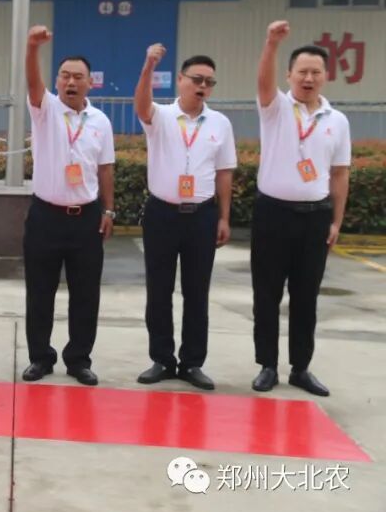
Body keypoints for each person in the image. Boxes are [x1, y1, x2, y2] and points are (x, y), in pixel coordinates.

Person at [251, 21, 350, 397]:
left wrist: (336, 221)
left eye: (316, 72)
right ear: (289, 75)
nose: (308, 78)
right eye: (302, 72)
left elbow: (339, 174)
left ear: (326, 77)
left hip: (315, 217)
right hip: (273, 215)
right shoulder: (275, 108)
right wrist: (271, 44)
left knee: (306, 296)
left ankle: (301, 368)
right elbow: (263, 81)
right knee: (267, 294)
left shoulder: (337, 121)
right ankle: (267, 365)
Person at [133, 44, 237, 391]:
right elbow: (141, 105)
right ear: (180, 80)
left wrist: (224, 217)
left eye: (209, 82)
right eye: (196, 79)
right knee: (159, 290)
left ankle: (192, 362)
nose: (202, 86)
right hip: (162, 213)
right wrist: (149, 65)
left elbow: (224, 172)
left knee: (197, 292)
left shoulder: (220, 124)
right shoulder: (161, 116)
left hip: (202, 216)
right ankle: (162, 359)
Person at [21, 26, 115, 386]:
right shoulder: (45, 109)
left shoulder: (100, 121)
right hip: (46, 216)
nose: (70, 82)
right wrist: (33, 48)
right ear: (57, 81)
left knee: (86, 293)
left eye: (78, 77)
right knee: (40, 292)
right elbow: (33, 83)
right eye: (64, 76)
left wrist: (109, 210)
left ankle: (79, 359)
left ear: (90, 83)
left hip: (86, 219)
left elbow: (105, 169)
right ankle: (40, 357)